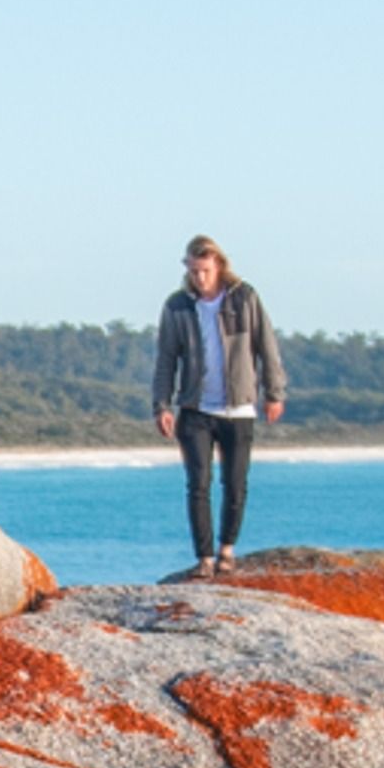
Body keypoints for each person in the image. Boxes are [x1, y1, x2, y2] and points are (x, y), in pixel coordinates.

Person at [153, 237, 286, 574]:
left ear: (219, 265)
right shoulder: (178, 306)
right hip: (195, 409)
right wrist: (162, 405)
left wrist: (275, 392)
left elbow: (266, 345)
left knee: (235, 482)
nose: (200, 278)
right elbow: (166, 359)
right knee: (198, 484)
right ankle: (205, 558)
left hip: (238, 408)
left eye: (206, 271)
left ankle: (227, 549)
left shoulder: (244, 298)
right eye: (194, 271)